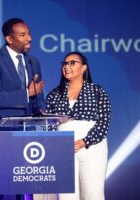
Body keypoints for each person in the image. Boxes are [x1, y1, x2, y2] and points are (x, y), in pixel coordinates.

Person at [0, 18, 45, 200]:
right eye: (23, 35)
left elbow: (37, 97)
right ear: (9, 39)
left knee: (27, 188)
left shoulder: (33, 61)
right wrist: (26, 93)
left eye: (29, 33)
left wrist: (42, 110)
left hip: (28, 134)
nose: (29, 38)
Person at [45, 52, 111, 200]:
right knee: (65, 196)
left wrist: (84, 142)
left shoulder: (97, 92)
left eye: (72, 63)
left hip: (92, 149)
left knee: (93, 194)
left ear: (84, 68)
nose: (67, 66)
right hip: (62, 150)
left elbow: (104, 123)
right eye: (65, 63)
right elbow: (48, 124)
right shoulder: (54, 94)